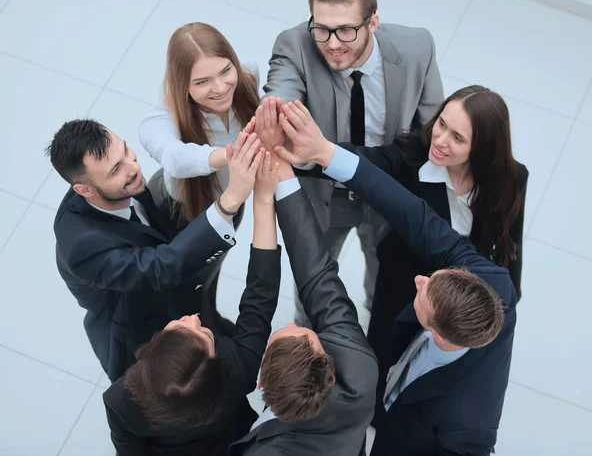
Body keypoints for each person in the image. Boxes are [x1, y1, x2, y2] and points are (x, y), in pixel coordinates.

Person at [274, 100, 518, 455]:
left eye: (424, 294)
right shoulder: (492, 280)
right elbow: (412, 214)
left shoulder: (465, 422)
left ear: (434, 333)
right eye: (435, 277)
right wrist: (325, 152)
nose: (420, 280)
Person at [262, 0, 444, 323]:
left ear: (372, 23)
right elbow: (280, 96)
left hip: (388, 190)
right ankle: (309, 346)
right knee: (312, 287)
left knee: (388, 282)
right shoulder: (295, 45)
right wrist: (275, 115)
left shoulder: (417, 47)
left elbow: (431, 130)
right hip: (324, 195)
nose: (331, 43)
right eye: (321, 28)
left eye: (345, 30)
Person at [346, 85, 528, 425]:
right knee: (385, 348)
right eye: (441, 124)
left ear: (482, 149)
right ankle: (374, 414)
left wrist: (509, 297)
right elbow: (360, 162)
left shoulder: (512, 177)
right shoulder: (411, 154)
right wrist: (308, 153)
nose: (440, 139)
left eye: (457, 137)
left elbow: (509, 245)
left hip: (460, 292)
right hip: (403, 281)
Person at [47, 118, 262, 382]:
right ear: (84, 190)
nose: (134, 167)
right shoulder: (83, 247)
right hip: (138, 330)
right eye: (115, 170)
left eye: (125, 150)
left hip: (177, 300)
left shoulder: (120, 184)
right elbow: (161, 267)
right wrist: (230, 200)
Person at [103, 150, 283, 456]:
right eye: (207, 335)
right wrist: (264, 198)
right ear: (218, 368)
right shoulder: (239, 371)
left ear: (151, 353)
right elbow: (260, 296)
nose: (195, 319)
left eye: (181, 330)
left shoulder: (120, 400)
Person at [230, 102, 378, 456]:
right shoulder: (357, 374)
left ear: (260, 382)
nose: (290, 324)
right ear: (329, 371)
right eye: (304, 331)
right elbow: (318, 277)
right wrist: (280, 166)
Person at [139, 22, 263, 336]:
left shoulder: (247, 75)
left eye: (225, 71)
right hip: (179, 213)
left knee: (209, 274)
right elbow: (176, 160)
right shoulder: (160, 119)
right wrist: (231, 154)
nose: (220, 87)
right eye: (202, 81)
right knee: (184, 281)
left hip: (229, 202)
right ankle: (194, 326)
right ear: (183, 85)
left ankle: (208, 315)